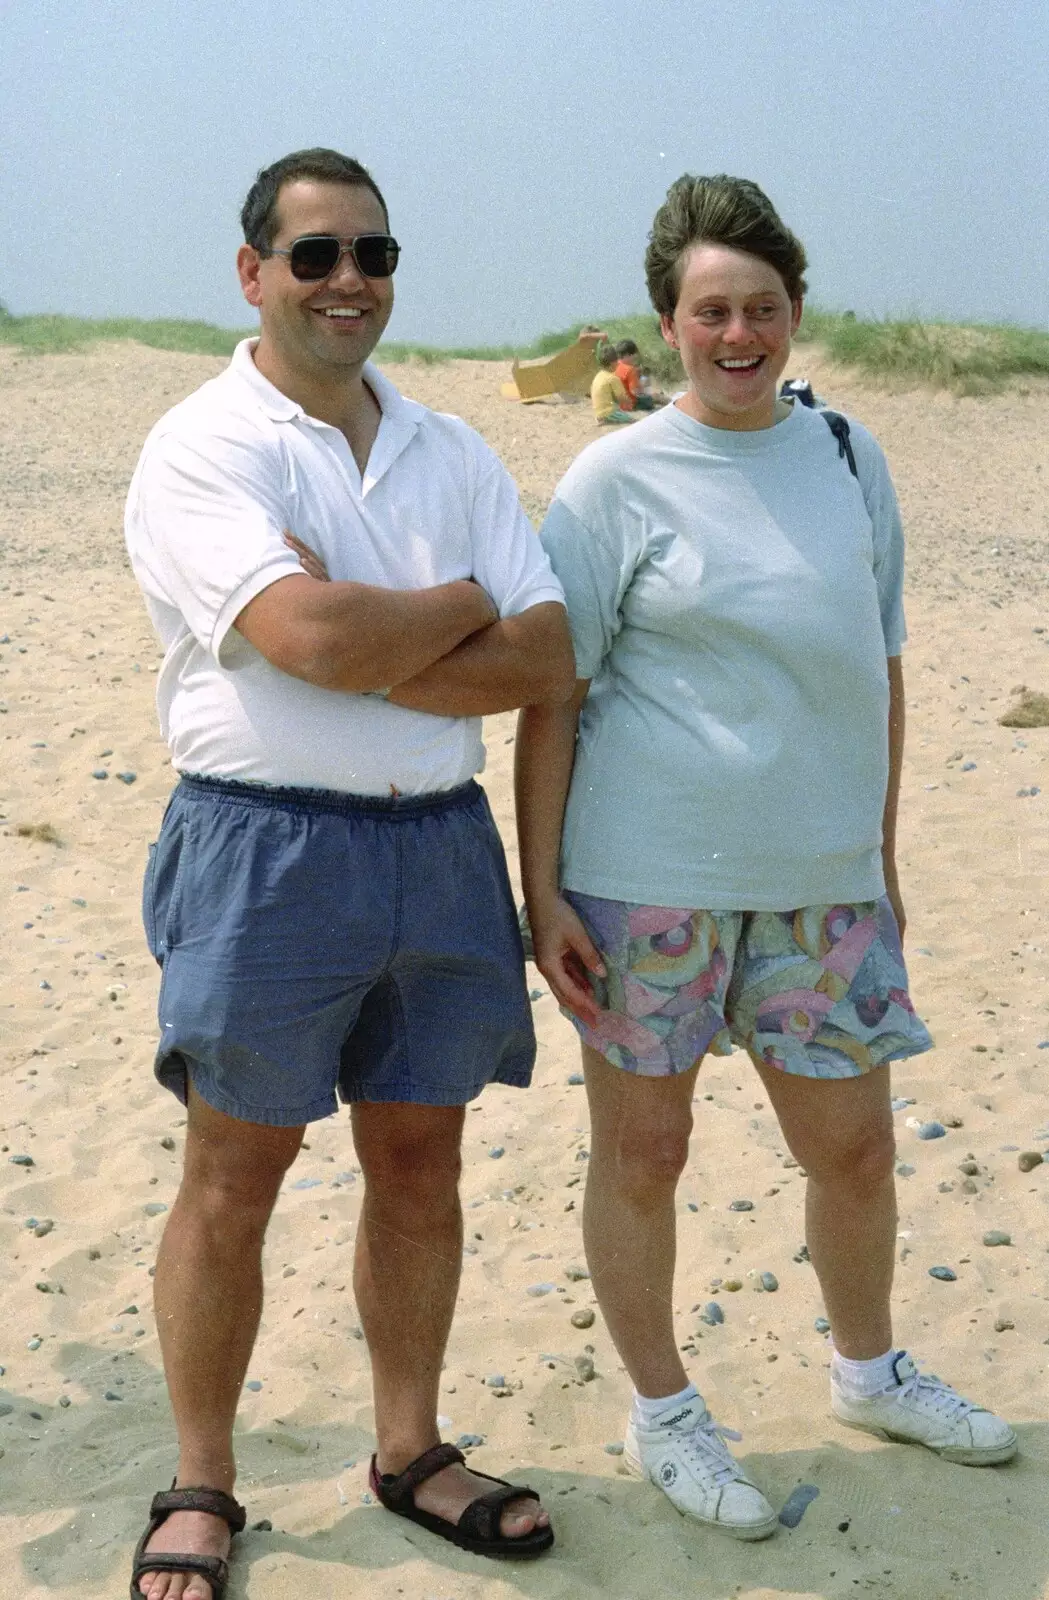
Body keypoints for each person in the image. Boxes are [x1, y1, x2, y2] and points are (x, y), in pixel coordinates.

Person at [515, 173, 1016, 1543]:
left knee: (853, 1154)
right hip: (644, 880)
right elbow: (553, 690)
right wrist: (541, 885)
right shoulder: (612, 475)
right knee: (645, 1152)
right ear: (666, 324)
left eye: (762, 309)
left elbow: (882, 667)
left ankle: (869, 1373)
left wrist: (882, 849)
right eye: (709, 311)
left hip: (822, 881)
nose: (738, 335)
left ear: (796, 314)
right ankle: (666, 1411)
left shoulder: (850, 457)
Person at [124, 146, 573, 1599]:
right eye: (314, 255)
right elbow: (305, 640)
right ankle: (201, 1480)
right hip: (265, 849)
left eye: (374, 255)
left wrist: (383, 623)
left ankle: (407, 1449)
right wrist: (458, 610)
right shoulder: (207, 444)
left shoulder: (450, 449)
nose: (348, 282)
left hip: (439, 851)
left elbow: (548, 657)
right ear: (253, 273)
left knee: (421, 1162)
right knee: (234, 1171)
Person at [590, 341, 636, 424]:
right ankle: (607, 419)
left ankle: (602, 419)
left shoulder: (598, 376)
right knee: (633, 421)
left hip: (597, 413)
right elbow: (621, 398)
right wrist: (629, 402)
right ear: (613, 363)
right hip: (609, 413)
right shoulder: (613, 378)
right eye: (617, 361)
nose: (618, 363)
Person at [613, 338, 662, 410]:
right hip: (632, 404)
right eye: (633, 355)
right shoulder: (630, 370)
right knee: (657, 396)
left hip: (618, 403)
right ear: (627, 354)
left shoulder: (614, 366)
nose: (635, 357)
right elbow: (635, 392)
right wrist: (644, 387)